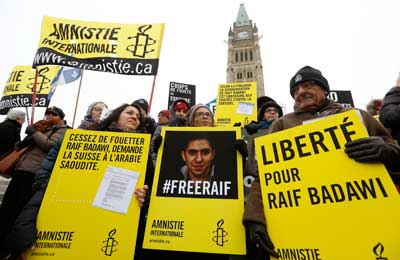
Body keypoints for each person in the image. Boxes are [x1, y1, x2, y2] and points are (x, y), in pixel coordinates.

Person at [243, 66, 400, 260]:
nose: (301, 92)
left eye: (308, 85)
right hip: (306, 226)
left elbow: (395, 155)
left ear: (325, 90)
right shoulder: (281, 125)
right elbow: (264, 177)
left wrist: (386, 151)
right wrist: (255, 217)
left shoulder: (356, 116)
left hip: (362, 223)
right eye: (296, 90)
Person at [3, 103, 152, 259]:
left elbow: (148, 185)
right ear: (116, 116)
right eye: (130, 113)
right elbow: (49, 164)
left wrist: (144, 196)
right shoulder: (82, 137)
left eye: (138, 117)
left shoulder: (142, 155)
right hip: (66, 212)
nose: (135, 117)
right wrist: (46, 185)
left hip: (110, 224)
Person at [0, 106, 69, 259]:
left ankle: (9, 247)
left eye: (54, 114)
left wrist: (35, 133)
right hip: (22, 170)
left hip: (35, 173)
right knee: (7, 208)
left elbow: (49, 145)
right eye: (48, 113)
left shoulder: (64, 130)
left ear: (61, 117)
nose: (49, 116)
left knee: (18, 211)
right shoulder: (41, 127)